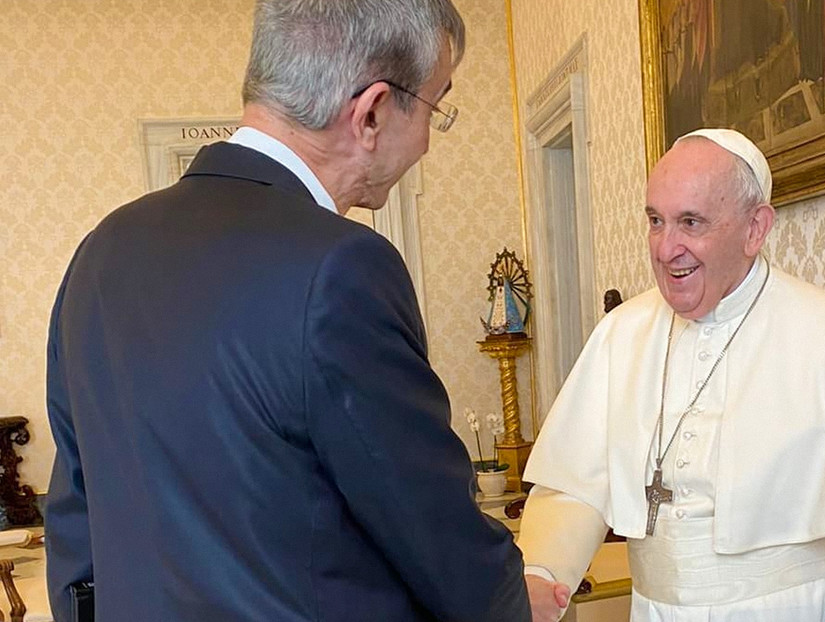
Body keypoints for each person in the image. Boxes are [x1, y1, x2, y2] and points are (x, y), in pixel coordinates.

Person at [44, 1, 530, 620]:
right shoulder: (343, 267)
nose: (430, 141)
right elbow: (434, 532)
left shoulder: (102, 251)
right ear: (373, 111)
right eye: (437, 106)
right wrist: (513, 602)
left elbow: (76, 521)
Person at [519, 128, 825, 621]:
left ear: (755, 229)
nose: (665, 249)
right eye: (656, 221)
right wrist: (545, 572)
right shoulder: (622, 333)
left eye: (691, 222)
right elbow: (574, 482)